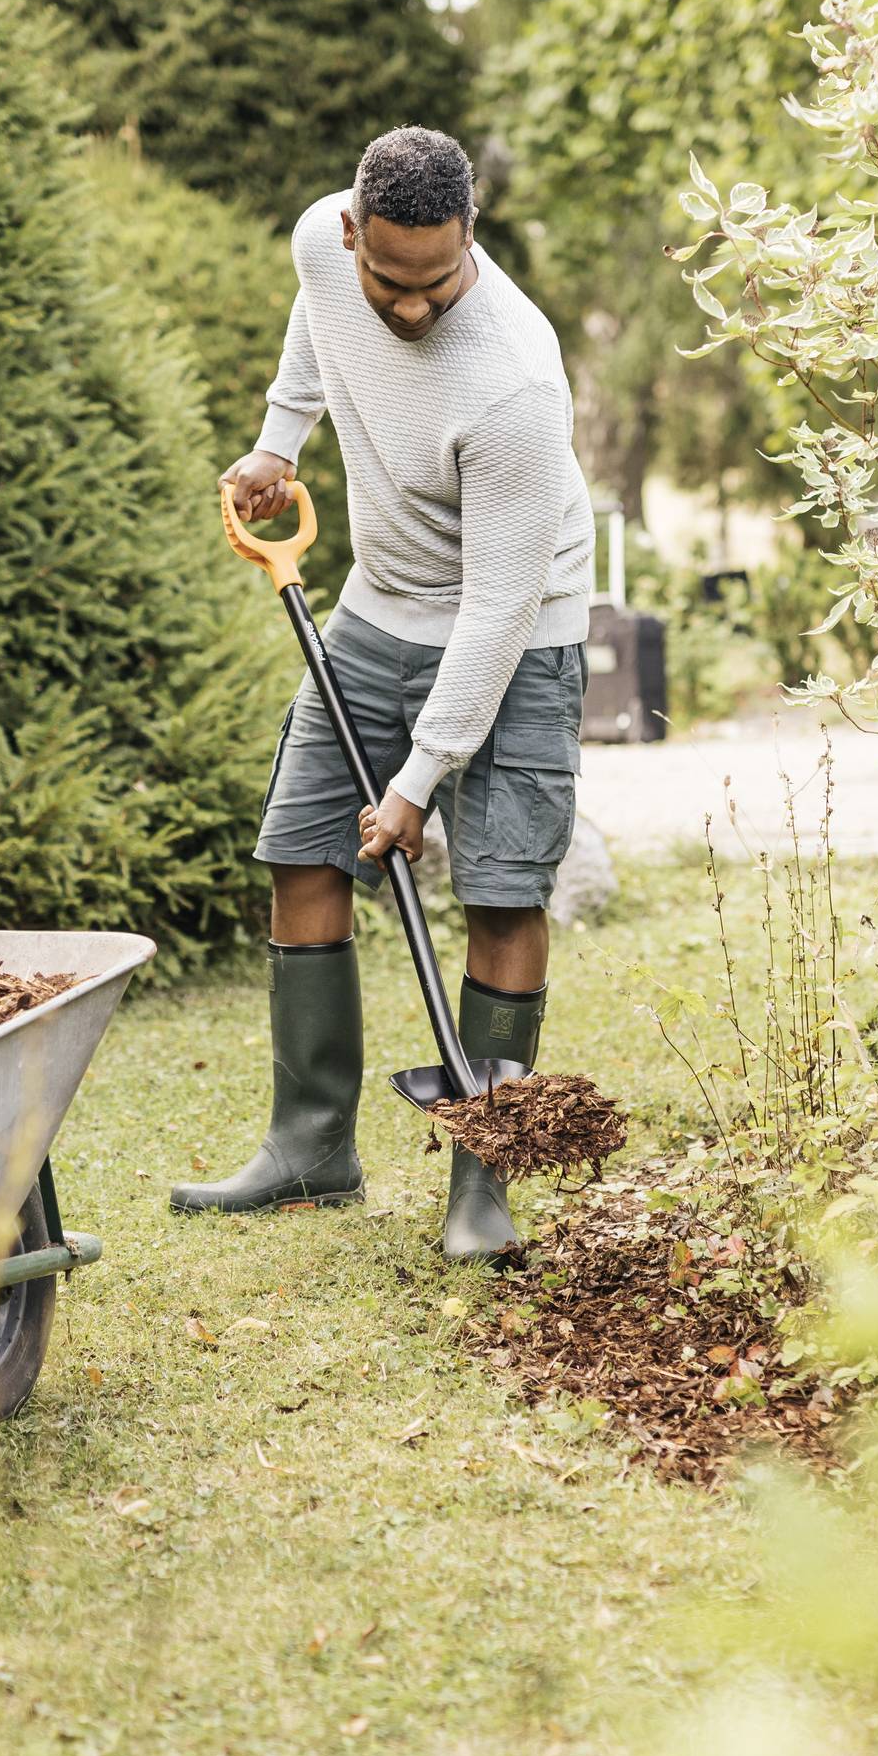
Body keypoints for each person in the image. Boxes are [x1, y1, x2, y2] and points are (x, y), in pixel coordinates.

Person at [171, 126, 593, 1262]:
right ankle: (311, 1148)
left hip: (516, 637)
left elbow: (500, 606)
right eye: (388, 280)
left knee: (503, 898)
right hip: (376, 610)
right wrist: (278, 440)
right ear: (354, 232)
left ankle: (481, 1188)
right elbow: (322, 321)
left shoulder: (514, 380)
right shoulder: (321, 245)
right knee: (303, 856)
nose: (410, 310)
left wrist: (415, 785)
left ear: (473, 239)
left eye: (438, 282)